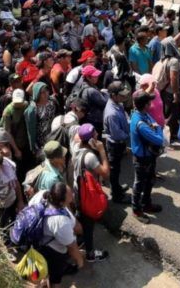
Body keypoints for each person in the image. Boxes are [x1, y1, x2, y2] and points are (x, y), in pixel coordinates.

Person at [32, 182, 84, 288]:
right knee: (56, 277)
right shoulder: (61, 222)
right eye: (70, 195)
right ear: (61, 202)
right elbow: (72, 248)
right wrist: (80, 261)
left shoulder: (42, 195)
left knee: (42, 268)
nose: (73, 195)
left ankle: (44, 279)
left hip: (35, 241)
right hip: (52, 252)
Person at [72, 123, 110, 262]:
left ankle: (79, 240)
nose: (97, 136)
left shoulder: (77, 147)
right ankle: (90, 254)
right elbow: (105, 173)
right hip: (86, 195)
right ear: (90, 141)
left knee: (80, 218)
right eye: (95, 135)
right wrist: (102, 150)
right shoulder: (89, 157)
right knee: (88, 226)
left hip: (78, 191)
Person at [129, 90, 165, 224]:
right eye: (149, 101)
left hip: (148, 157)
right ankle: (136, 210)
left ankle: (146, 204)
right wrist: (158, 129)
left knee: (149, 180)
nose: (151, 102)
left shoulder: (143, 114)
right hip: (142, 159)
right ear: (145, 105)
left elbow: (153, 122)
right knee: (139, 184)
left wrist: (155, 126)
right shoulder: (141, 123)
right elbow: (158, 139)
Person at [102, 81, 132, 204]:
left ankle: (117, 188)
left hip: (119, 142)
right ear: (113, 95)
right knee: (114, 170)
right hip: (115, 144)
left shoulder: (117, 104)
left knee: (117, 169)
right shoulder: (111, 113)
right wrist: (130, 136)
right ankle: (116, 195)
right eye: (121, 95)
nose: (124, 97)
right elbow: (117, 134)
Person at [0, 89, 36, 180]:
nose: (18, 104)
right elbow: (7, 133)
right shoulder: (8, 112)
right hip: (16, 144)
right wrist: (16, 150)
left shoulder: (27, 105)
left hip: (27, 143)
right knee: (19, 171)